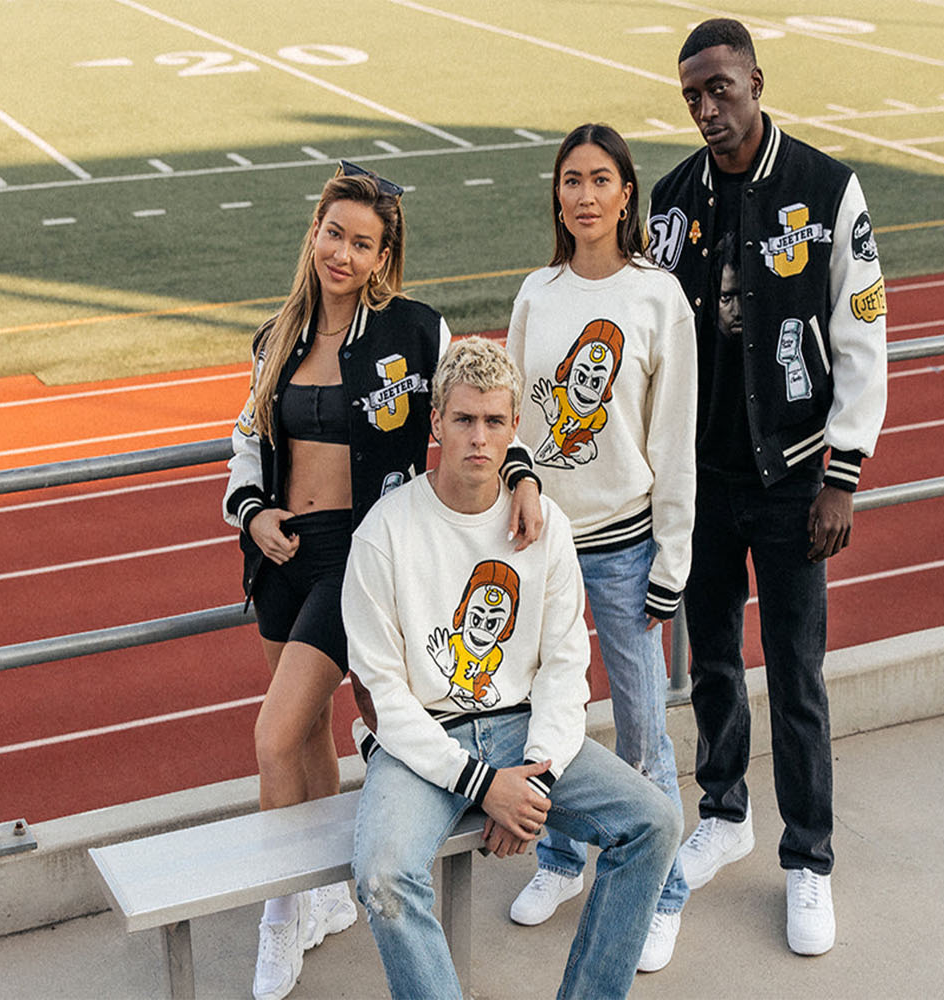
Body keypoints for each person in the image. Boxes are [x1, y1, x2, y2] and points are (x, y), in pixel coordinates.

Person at [222, 163, 542, 1000]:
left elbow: (482, 396)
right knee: (305, 737)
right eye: (334, 233)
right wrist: (252, 512)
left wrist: (521, 475)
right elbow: (247, 444)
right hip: (281, 558)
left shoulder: (414, 329)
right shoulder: (276, 338)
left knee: (271, 733)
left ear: (382, 255)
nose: (343, 253)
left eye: (362, 243)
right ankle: (326, 897)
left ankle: (280, 913)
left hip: (359, 559)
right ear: (315, 234)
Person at [645, 19, 888, 957]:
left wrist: (843, 477)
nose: (709, 109)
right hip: (702, 480)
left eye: (721, 88)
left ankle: (810, 858)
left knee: (794, 671)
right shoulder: (669, 203)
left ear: (756, 79)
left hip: (795, 480)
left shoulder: (827, 189)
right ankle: (725, 807)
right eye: (693, 97)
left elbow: (862, 336)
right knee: (710, 658)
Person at [345, 336, 681, 1000]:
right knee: (384, 875)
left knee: (657, 823)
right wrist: (482, 784)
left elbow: (565, 666)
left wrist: (533, 778)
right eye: (464, 419)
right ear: (436, 421)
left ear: (514, 427)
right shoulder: (384, 533)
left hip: (521, 728)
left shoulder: (545, 527)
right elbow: (382, 698)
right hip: (422, 744)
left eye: (494, 421)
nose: (479, 436)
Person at [502, 123, 697, 972]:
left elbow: (676, 437)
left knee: (643, 729)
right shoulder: (536, 293)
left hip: (624, 550)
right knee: (547, 717)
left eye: (601, 180)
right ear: (558, 194)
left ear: (628, 194)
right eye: (570, 180)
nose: (584, 195)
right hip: (545, 548)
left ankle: (663, 891)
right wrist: (518, 485)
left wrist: (672, 561)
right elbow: (509, 418)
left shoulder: (659, 298)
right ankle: (558, 858)